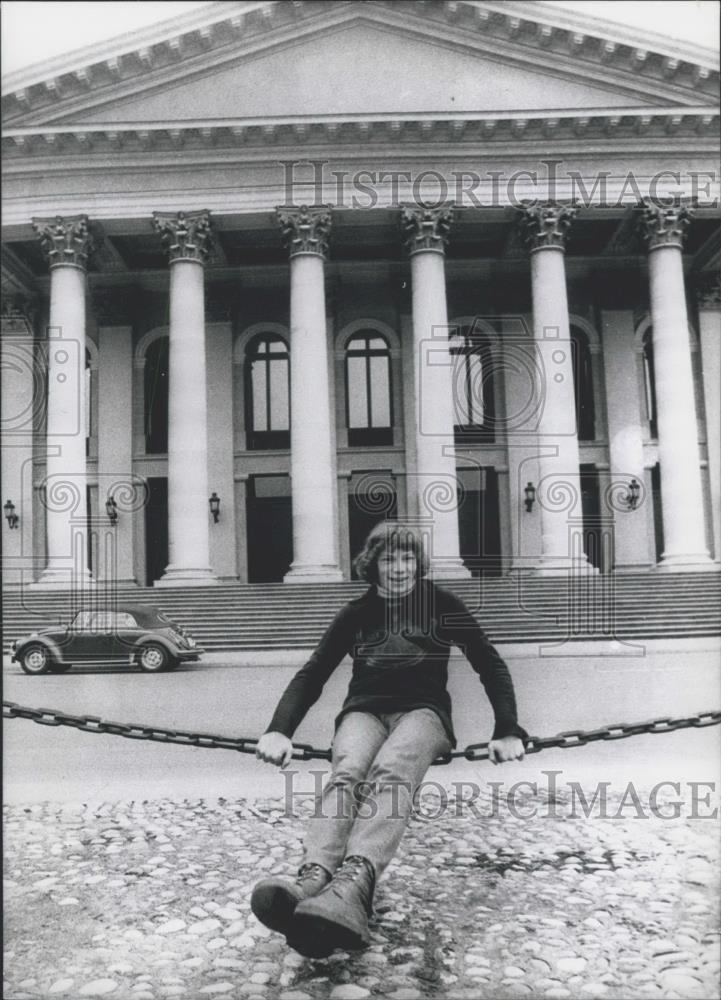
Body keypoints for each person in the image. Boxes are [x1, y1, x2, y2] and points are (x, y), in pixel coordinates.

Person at [251, 521, 527, 958]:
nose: (399, 568)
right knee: (347, 772)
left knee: (392, 769)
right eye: (389, 558)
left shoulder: (442, 604)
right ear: (372, 564)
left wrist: (507, 729)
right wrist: (279, 729)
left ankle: (356, 884)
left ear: (418, 562)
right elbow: (314, 672)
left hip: (424, 712)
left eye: (407, 558)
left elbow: (489, 663)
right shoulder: (356, 613)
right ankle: (312, 879)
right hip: (364, 710)